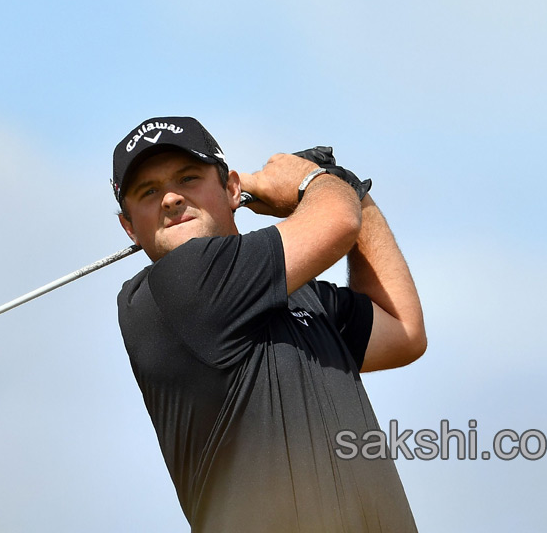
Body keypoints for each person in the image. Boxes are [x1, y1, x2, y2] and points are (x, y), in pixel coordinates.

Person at [112, 116, 426, 532]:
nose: (170, 198)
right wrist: (317, 180)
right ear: (129, 227)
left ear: (231, 190)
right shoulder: (174, 287)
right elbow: (337, 221)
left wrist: (348, 188)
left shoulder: (297, 294)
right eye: (148, 191)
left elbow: (404, 332)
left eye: (188, 178)